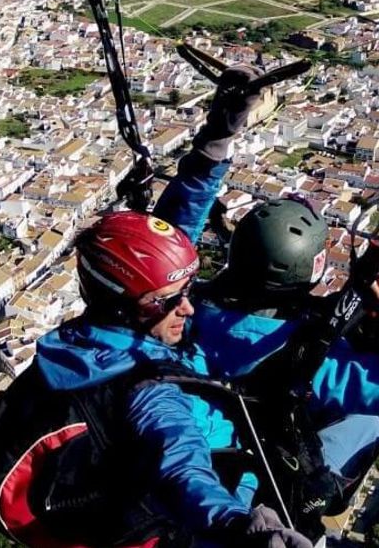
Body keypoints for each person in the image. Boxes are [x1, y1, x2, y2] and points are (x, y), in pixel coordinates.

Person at [153, 67, 379, 522]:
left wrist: (217, 138)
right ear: (313, 268)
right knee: (371, 420)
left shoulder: (186, 309)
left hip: (212, 444)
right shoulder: (313, 358)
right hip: (258, 473)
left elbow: (168, 237)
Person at [24, 210, 313, 548]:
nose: (188, 308)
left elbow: (160, 250)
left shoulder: (77, 343)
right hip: (192, 519)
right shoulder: (146, 387)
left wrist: (207, 165)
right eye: (169, 300)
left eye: (188, 288)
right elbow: (181, 463)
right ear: (123, 304)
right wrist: (236, 525)